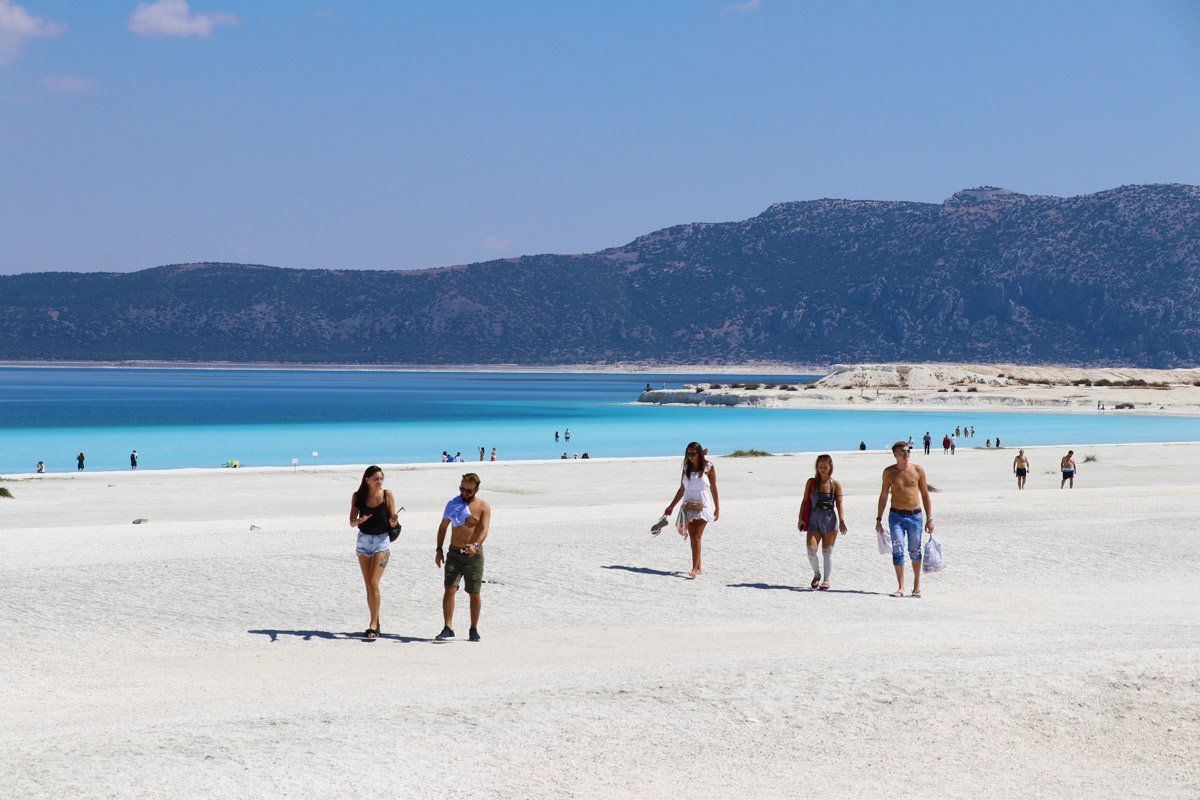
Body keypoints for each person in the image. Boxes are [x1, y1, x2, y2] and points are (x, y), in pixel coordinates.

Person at [435, 472, 491, 642]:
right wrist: (439, 549)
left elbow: (483, 530)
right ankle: (448, 627)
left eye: (468, 491)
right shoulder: (453, 504)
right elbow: (443, 527)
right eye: (462, 489)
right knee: (449, 588)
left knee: (474, 592)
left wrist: (476, 545)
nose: (464, 493)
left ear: (476, 489)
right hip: (454, 553)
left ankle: (473, 628)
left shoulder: (483, 507)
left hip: (473, 556)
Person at [875, 441, 934, 598]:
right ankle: (901, 587)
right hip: (896, 517)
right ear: (895, 454)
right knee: (898, 550)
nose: (906, 454)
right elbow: (883, 496)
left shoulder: (917, 470)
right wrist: (878, 518)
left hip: (915, 516)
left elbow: (925, 495)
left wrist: (930, 518)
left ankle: (916, 586)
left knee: (915, 551)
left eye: (908, 451)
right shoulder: (888, 472)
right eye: (902, 452)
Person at [349, 465, 399, 640]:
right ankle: (376, 621)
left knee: (373, 581)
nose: (379, 482)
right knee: (368, 585)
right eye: (376, 479)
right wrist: (360, 520)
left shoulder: (387, 494)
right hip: (363, 541)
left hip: (381, 542)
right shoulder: (358, 496)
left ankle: (372, 625)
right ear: (367, 480)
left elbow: (394, 524)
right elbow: (351, 522)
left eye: (381, 478)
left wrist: (393, 521)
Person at [663, 441, 719, 579]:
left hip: (702, 505)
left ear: (699, 453)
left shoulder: (708, 467)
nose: (690, 456)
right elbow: (682, 488)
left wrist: (717, 507)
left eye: (693, 453)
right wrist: (671, 506)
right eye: (688, 453)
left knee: (696, 537)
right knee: (693, 538)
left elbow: (713, 487)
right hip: (688, 505)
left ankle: (695, 568)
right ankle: (698, 567)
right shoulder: (686, 467)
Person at [797, 454, 847, 590]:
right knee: (811, 549)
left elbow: (840, 503)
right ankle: (817, 574)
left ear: (830, 467)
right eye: (820, 467)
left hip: (830, 521)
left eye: (825, 466)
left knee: (827, 552)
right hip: (813, 521)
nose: (822, 469)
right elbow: (805, 501)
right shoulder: (811, 483)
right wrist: (800, 518)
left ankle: (826, 579)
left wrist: (842, 520)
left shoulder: (835, 484)